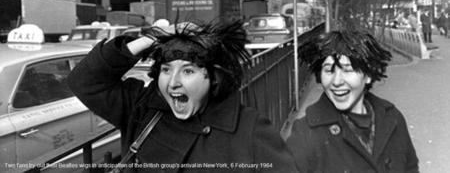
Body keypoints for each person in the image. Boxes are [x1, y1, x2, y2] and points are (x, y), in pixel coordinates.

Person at [68, 20, 298, 172]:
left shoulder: (249, 130)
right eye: (166, 70)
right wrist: (151, 38)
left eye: (188, 71)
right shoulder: (143, 109)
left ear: (214, 77)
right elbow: (84, 81)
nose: (173, 82)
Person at [287, 29, 419, 173]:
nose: (336, 81)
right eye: (329, 70)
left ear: (368, 75)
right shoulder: (305, 133)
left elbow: (411, 168)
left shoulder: (393, 117)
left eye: (347, 70)